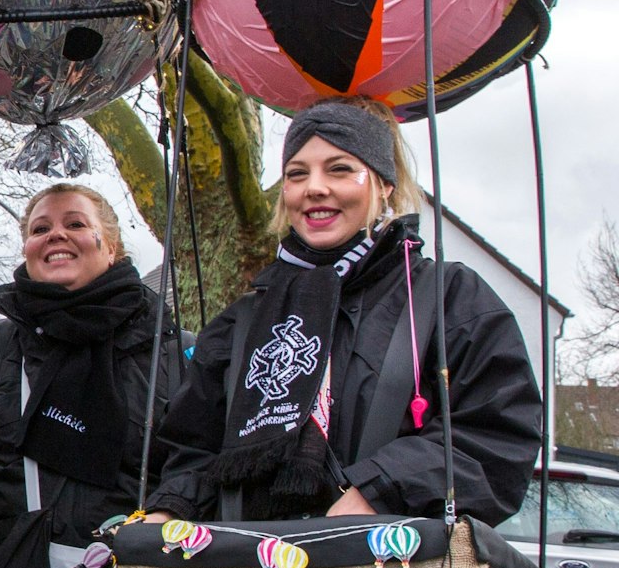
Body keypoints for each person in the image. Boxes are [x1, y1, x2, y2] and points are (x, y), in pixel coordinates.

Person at [144, 99, 542, 525]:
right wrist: (172, 508)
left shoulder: (448, 297)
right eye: (297, 174)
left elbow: (495, 438)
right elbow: (191, 449)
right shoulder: (243, 318)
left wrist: (379, 489)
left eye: (338, 169)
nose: (314, 187)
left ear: (384, 184)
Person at [0, 184, 185, 568]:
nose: (55, 235)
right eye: (39, 228)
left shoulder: (173, 355)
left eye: (76, 223)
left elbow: (198, 466)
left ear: (112, 246)